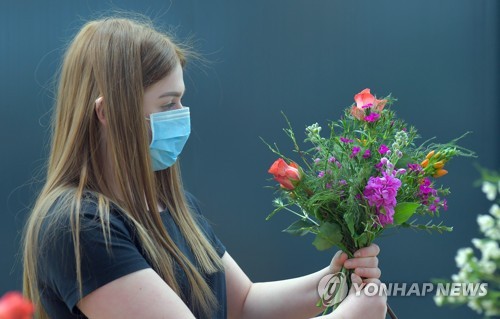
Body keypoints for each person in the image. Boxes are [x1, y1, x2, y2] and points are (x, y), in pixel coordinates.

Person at [22, 17, 387, 319]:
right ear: (107, 113)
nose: (181, 115)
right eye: (168, 104)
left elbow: (243, 305)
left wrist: (335, 281)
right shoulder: (80, 226)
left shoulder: (173, 205)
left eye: (181, 100)